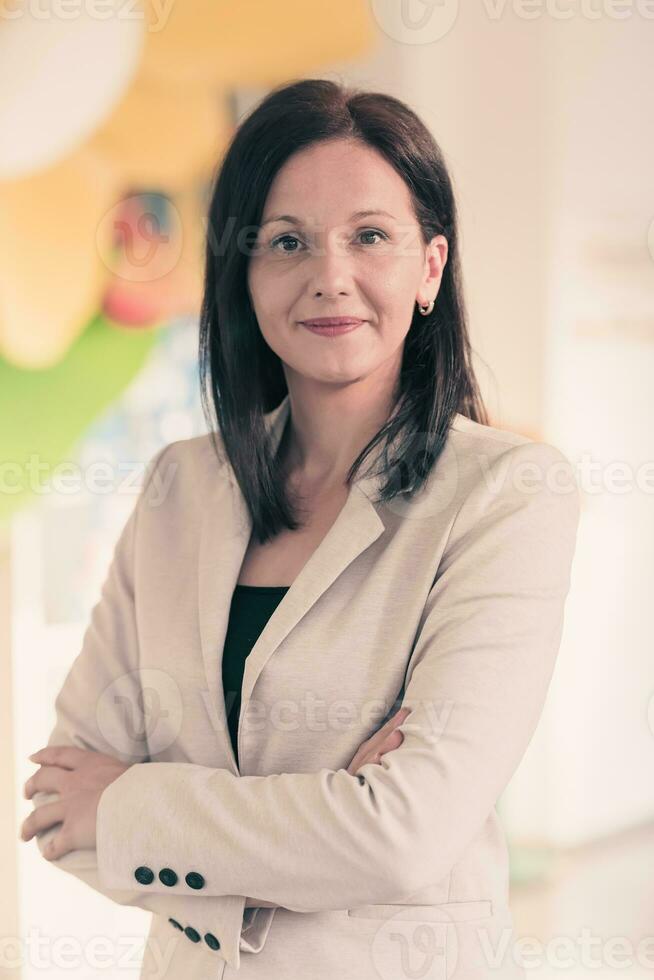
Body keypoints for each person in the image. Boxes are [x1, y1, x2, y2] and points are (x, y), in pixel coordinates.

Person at [20, 78, 580, 979]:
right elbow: (59, 805)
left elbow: (402, 836)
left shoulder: (506, 494)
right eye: (287, 241)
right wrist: (321, 826)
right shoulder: (179, 487)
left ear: (430, 267)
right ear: (243, 273)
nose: (330, 275)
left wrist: (127, 808)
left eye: (370, 236)